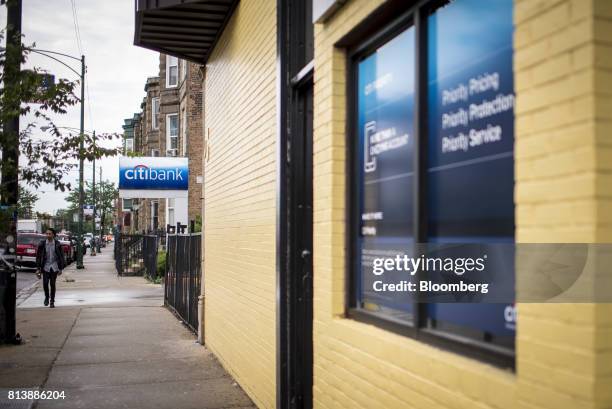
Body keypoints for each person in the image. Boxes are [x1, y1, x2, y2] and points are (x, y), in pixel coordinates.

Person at [36, 228, 66, 308]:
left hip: (54, 266)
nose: (48, 235)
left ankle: (52, 301)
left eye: (50, 234)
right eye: (47, 233)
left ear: (53, 235)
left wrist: (60, 268)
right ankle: (46, 297)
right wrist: (38, 268)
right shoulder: (42, 244)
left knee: (52, 284)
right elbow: (38, 256)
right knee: (45, 283)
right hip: (45, 266)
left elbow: (61, 257)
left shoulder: (57, 244)